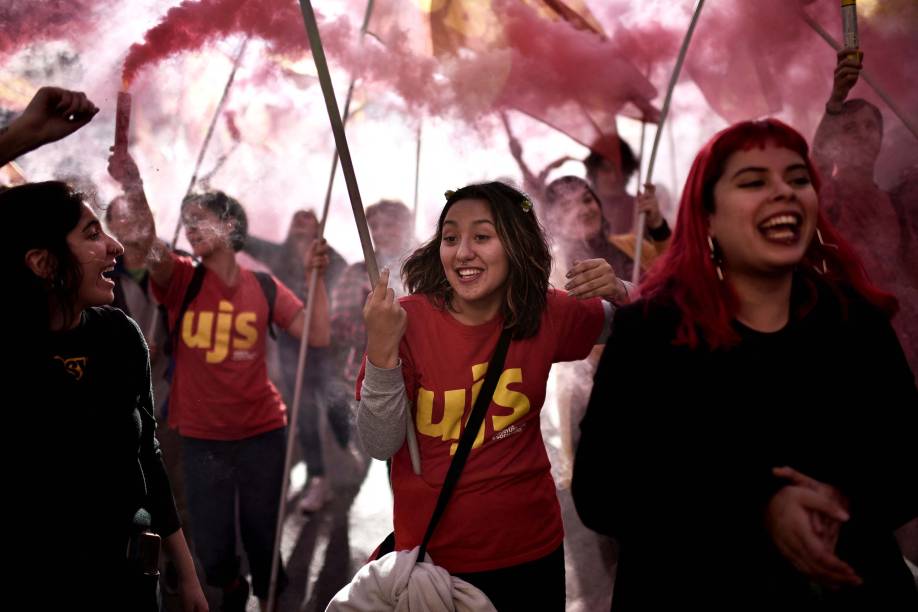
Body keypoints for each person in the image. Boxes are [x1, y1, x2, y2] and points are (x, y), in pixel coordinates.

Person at [573, 119, 918, 610]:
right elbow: (603, 492)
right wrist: (759, 507)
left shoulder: (855, 324)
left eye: (798, 179)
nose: (784, 192)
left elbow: (906, 465)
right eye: (754, 181)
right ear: (707, 216)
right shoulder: (649, 334)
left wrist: (841, 504)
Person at [357, 182, 628, 610]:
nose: (462, 252)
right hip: (437, 562)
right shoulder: (403, 321)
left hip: (533, 552)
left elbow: (647, 319)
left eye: (482, 236)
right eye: (450, 238)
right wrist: (381, 350)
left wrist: (620, 289)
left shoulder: (545, 311)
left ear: (515, 245)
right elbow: (379, 442)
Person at [108, 149, 331, 612]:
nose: (189, 227)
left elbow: (318, 334)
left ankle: (269, 594)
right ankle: (231, 589)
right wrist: (133, 185)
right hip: (202, 439)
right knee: (212, 545)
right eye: (185, 220)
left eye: (200, 218)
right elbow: (146, 241)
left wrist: (316, 277)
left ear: (230, 225)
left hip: (263, 433)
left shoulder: (264, 286)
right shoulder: (180, 277)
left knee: (262, 533)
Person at [4, 181, 207, 611]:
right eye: (92, 234)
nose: (115, 246)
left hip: (130, 583)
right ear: (42, 262)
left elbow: (148, 455)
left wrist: (187, 575)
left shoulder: (119, 334)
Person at [245, 209, 348, 513]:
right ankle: (318, 477)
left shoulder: (332, 260)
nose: (301, 222)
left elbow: (343, 303)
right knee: (304, 411)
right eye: (297, 218)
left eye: (308, 218)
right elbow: (243, 239)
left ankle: (345, 445)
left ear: (319, 226)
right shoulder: (279, 254)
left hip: (326, 346)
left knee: (334, 402)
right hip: (292, 345)